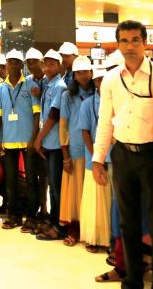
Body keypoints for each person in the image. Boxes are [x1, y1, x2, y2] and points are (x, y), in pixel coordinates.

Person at [92, 20, 153, 289]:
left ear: (145, 42)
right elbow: (105, 121)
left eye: (135, 40)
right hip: (123, 155)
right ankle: (133, 278)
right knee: (128, 222)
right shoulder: (111, 79)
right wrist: (98, 159)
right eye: (124, 41)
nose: (129, 46)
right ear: (118, 44)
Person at [0, 49, 40, 230]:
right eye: (10, 61)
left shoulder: (30, 85)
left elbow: (37, 114)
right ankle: (14, 215)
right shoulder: (0, 89)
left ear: (22, 65)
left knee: (31, 180)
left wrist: (33, 139)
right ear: (5, 65)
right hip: (9, 141)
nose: (13, 64)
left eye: (16, 61)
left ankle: (32, 217)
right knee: (10, 180)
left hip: (28, 141)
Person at [58, 56, 94, 246]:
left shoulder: (98, 93)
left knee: (92, 192)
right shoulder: (67, 96)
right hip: (75, 150)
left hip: (94, 151)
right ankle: (74, 228)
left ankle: (91, 230)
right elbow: (63, 126)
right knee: (75, 193)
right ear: (74, 75)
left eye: (86, 72)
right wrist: (65, 154)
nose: (84, 76)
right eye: (79, 73)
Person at [32, 49, 67, 241]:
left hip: (55, 142)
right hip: (48, 141)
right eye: (46, 63)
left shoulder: (60, 86)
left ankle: (59, 226)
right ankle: (54, 221)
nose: (48, 67)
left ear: (59, 66)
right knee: (52, 186)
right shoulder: (48, 84)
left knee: (56, 185)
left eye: (52, 63)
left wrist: (38, 139)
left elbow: (53, 116)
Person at [79, 67, 111, 254]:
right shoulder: (88, 104)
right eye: (98, 80)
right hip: (95, 160)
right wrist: (96, 156)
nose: (101, 83)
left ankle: (111, 239)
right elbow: (85, 132)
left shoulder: (117, 103)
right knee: (95, 200)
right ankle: (94, 237)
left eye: (104, 79)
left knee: (111, 201)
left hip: (114, 158)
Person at [24, 47, 50, 225]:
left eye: (34, 61)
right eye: (29, 62)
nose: (32, 65)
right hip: (31, 135)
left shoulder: (51, 82)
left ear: (42, 62)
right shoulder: (26, 82)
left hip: (48, 136)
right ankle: (33, 211)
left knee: (46, 175)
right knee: (32, 175)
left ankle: (45, 208)